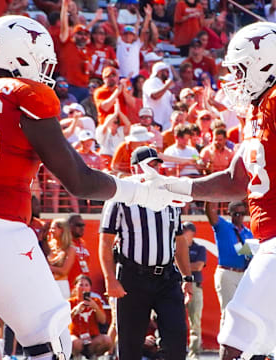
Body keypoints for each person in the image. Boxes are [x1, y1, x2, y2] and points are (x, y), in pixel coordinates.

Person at [0, 15, 190, 360]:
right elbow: (79, 181)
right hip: (0, 231)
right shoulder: (25, 94)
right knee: (49, 340)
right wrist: (138, 191)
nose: (47, 69)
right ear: (21, 56)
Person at [162, 20, 276, 360]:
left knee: (239, 335)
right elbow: (235, 179)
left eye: (242, 70)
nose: (235, 80)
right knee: (253, 343)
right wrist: (177, 187)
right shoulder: (258, 109)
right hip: (268, 236)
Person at [99, 145, 193, 360]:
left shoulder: (170, 196)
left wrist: (187, 277)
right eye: (150, 165)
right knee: (130, 345)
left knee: (177, 340)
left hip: (167, 278)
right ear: (134, 169)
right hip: (133, 277)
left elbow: (178, 240)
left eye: (157, 164)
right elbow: (105, 241)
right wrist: (110, 279)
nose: (156, 169)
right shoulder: (120, 197)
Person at [205, 201, 252, 329]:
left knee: (243, 313)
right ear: (229, 213)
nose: (240, 216)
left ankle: (241, 347)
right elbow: (210, 212)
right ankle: (225, 347)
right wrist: (210, 196)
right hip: (227, 273)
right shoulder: (223, 226)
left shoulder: (248, 232)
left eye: (243, 213)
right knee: (228, 311)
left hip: (243, 274)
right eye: (236, 213)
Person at [68, 274, 112, 358]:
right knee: (75, 343)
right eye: (81, 285)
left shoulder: (96, 301)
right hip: (76, 336)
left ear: (90, 288)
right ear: (75, 287)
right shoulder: (70, 302)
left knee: (107, 340)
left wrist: (95, 307)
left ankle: (93, 356)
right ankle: (77, 357)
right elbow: (64, 321)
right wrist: (75, 310)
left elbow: (103, 320)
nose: (83, 288)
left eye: (86, 285)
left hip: (92, 337)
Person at [183, 221, 206, 360]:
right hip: (178, 285)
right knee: (173, 320)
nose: (184, 232)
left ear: (192, 233)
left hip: (195, 287)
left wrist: (182, 265)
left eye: (186, 230)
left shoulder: (199, 248)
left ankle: (194, 354)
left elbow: (199, 266)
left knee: (195, 321)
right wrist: (189, 266)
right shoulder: (175, 248)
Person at [47, 218, 76, 299]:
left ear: (62, 230)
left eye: (53, 228)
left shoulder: (70, 249)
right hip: (48, 284)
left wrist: (47, 268)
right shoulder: (49, 247)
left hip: (61, 286)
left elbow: (64, 271)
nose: (51, 231)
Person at [142, 62, 174, 131]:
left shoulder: (163, 85)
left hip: (166, 124)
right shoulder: (150, 82)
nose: (168, 74)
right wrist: (167, 86)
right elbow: (154, 96)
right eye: (166, 71)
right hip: (155, 123)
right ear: (159, 72)